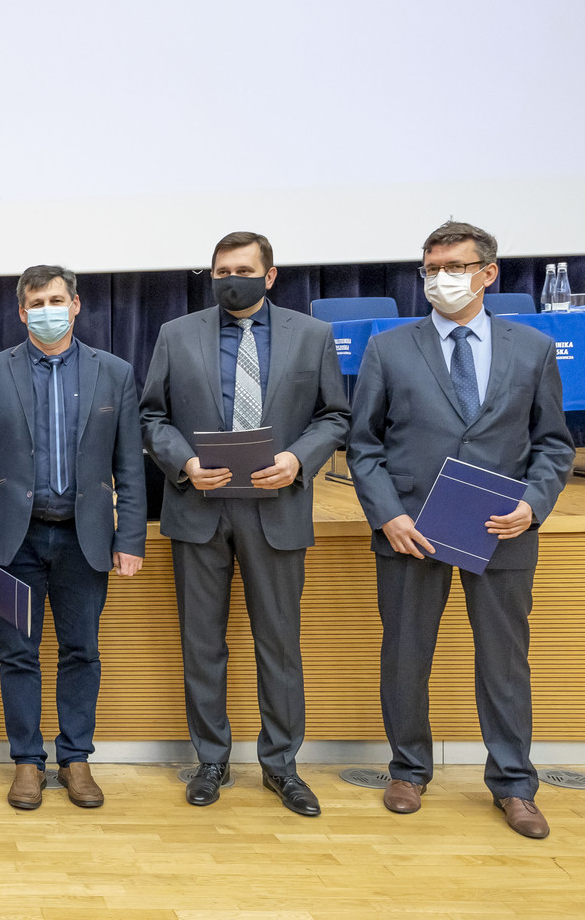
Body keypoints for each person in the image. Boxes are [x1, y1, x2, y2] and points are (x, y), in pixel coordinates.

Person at [347, 222, 573, 839]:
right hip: (411, 528)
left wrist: (534, 503)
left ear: (488, 273)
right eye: (430, 269)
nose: (440, 279)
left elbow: (554, 443)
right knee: (405, 655)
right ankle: (407, 770)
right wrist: (387, 514)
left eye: (454, 267)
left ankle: (515, 785)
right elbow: (363, 446)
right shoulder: (388, 348)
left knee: (504, 661)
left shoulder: (532, 348)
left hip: (502, 527)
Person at [139, 232, 349, 817]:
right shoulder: (176, 334)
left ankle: (281, 765)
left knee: (278, 644)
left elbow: (335, 416)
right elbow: (151, 416)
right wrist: (184, 462)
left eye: (243, 269)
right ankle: (211, 760)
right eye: (221, 271)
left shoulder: (313, 335)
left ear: (270, 275)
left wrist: (298, 459)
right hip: (199, 509)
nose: (231, 280)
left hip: (276, 508)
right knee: (202, 643)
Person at [0, 265, 147, 810]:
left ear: (76, 305)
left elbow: (129, 466)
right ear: (22, 312)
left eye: (56, 300)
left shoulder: (114, 372)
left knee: (81, 651)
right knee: (18, 653)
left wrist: (130, 538)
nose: (48, 310)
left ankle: (75, 758)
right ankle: (27, 761)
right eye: (37, 303)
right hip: (12, 543)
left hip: (85, 541)